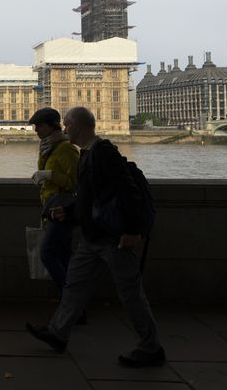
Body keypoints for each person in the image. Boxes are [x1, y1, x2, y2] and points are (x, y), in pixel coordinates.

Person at [26, 106, 165, 368]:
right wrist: (68, 212)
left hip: (113, 238)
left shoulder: (104, 153)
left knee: (130, 294)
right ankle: (58, 333)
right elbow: (89, 198)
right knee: (74, 287)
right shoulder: (87, 153)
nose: (64, 129)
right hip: (93, 238)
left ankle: (151, 347)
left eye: (67, 125)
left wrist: (132, 230)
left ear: (78, 126)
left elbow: (128, 191)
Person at [28, 107, 79, 299]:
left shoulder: (66, 148)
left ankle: (70, 301)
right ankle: (74, 305)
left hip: (63, 210)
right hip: (51, 207)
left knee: (47, 254)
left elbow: (77, 183)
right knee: (64, 257)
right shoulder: (47, 147)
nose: (36, 130)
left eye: (39, 126)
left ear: (51, 126)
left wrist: (50, 175)